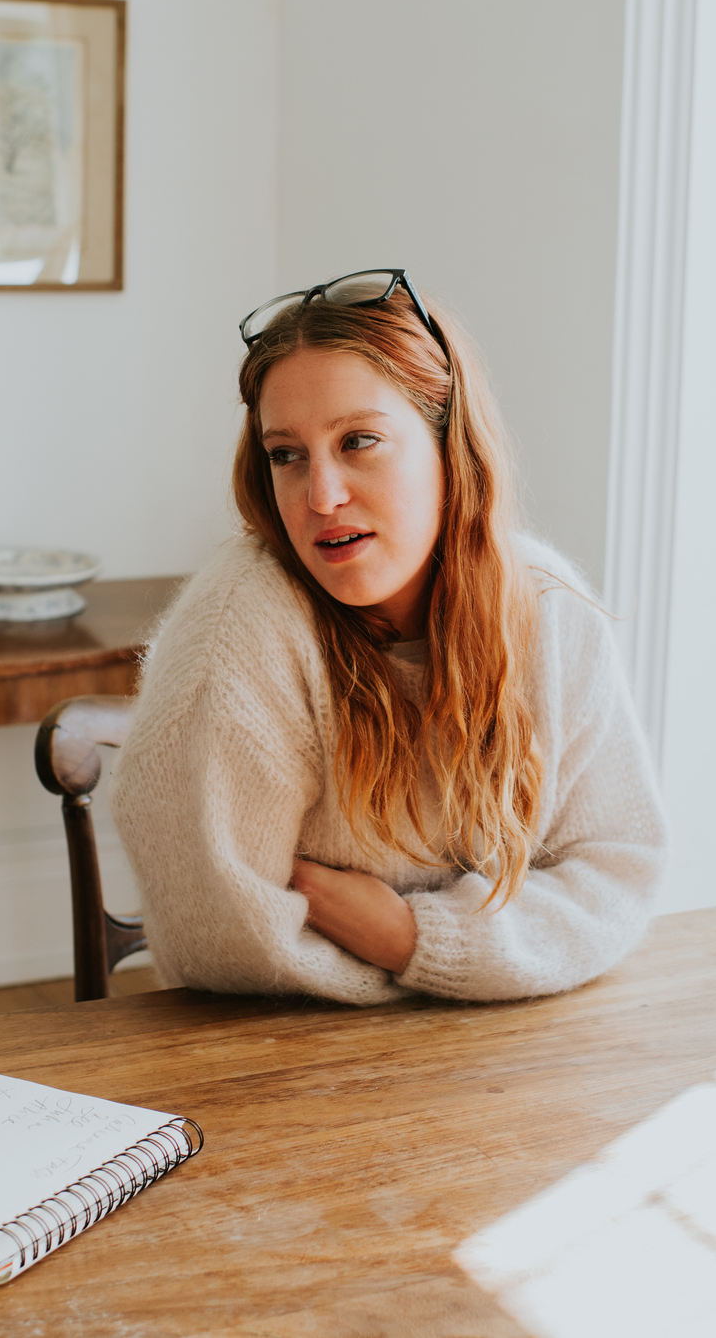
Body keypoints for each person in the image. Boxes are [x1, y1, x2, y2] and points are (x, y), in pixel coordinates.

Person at [113, 269, 665, 1004]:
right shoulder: (240, 626)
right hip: (281, 1055)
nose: (320, 496)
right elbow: (221, 939)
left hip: (508, 1052)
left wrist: (410, 937)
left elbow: (615, 872)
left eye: (360, 441)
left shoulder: (547, 609)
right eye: (286, 454)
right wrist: (508, 949)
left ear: (449, 445)